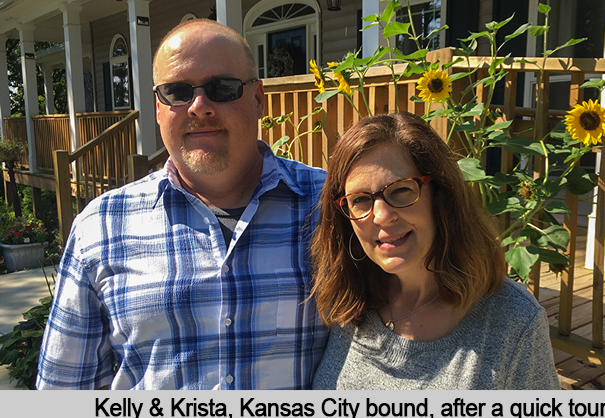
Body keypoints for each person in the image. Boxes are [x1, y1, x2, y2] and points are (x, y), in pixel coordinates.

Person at [36, 19, 328, 390]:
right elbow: (61, 399)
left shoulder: (331, 204)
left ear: (257, 99)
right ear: (158, 109)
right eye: (177, 91)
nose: (199, 106)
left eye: (222, 88)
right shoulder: (101, 226)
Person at [310, 112, 560, 390]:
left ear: (441, 196)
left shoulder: (513, 322)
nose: (381, 215)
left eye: (401, 190)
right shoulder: (346, 303)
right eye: (359, 200)